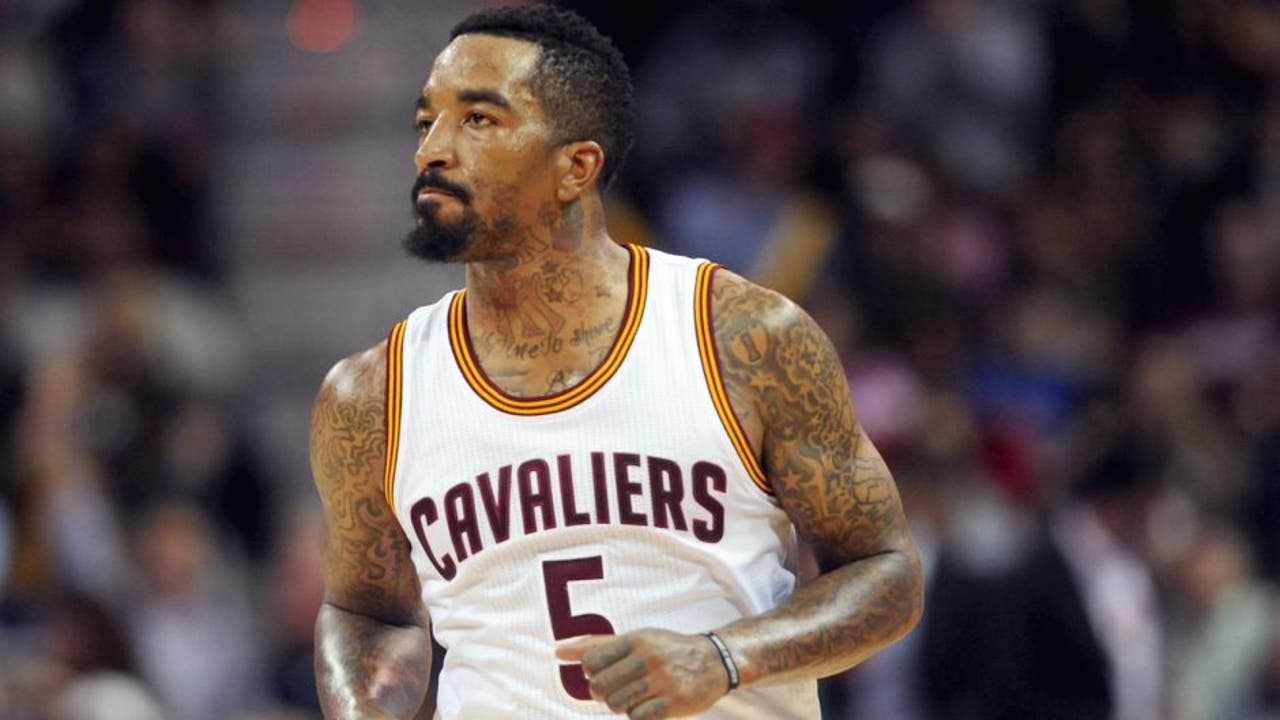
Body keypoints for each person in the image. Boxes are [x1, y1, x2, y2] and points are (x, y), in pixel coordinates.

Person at [309, 6, 923, 719]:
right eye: (426, 122)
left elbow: (886, 573)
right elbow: (367, 612)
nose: (432, 151)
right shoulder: (372, 396)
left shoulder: (741, 339)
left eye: (477, 119)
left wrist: (726, 657)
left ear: (576, 167)